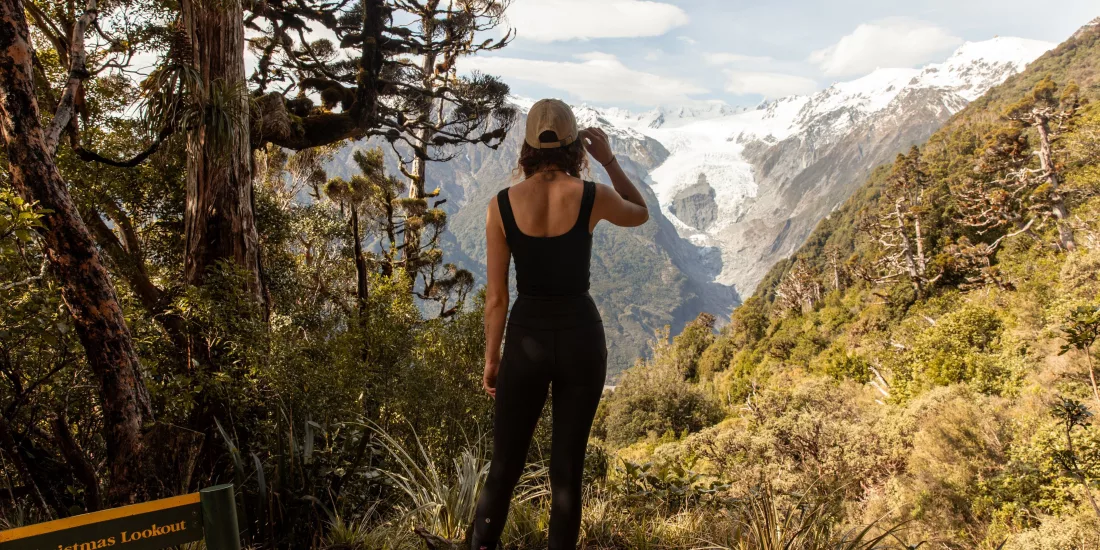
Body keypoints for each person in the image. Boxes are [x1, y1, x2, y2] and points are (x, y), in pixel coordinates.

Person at [468, 99, 649, 550]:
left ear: (527, 147)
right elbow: (639, 210)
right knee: (567, 471)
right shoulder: (591, 195)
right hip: (581, 339)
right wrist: (608, 160)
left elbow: (496, 298)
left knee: (503, 468)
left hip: (526, 336)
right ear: (575, 146)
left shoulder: (501, 206)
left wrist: (493, 360)